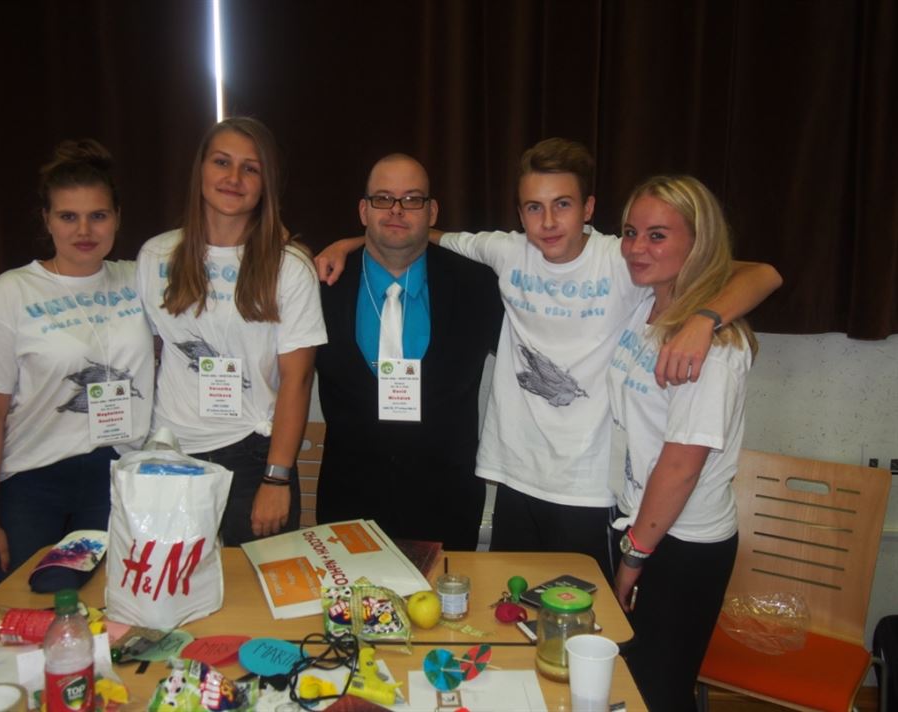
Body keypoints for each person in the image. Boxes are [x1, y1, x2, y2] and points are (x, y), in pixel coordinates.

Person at [316, 138, 780, 577]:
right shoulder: (502, 254)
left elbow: (760, 273)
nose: (549, 221)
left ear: (588, 208)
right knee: (510, 613)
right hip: (507, 481)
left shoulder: (621, 259)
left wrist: (705, 318)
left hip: (583, 490)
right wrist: (354, 242)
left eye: (563, 204)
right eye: (535, 207)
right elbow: (410, 234)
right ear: (520, 214)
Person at [0, 139, 154, 591]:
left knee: (105, 603)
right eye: (68, 216)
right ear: (47, 219)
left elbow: (214, 258)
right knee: (19, 601)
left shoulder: (138, 278)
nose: (84, 230)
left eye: (98, 215)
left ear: (117, 217)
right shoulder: (11, 293)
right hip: (33, 478)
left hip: (115, 474)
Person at [136, 117, 326, 546]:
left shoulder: (289, 267)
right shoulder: (156, 255)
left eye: (250, 168)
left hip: (254, 455)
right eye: (222, 162)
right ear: (200, 169)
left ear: (266, 183)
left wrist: (276, 478)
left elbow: (297, 380)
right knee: (173, 584)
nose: (234, 178)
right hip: (171, 453)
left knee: (260, 586)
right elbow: (149, 353)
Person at [608, 175, 756, 710]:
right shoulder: (646, 306)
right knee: (628, 682)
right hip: (640, 521)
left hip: (681, 542)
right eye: (630, 232)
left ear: (698, 241)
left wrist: (633, 558)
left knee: (657, 693)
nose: (636, 248)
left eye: (657, 235)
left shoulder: (712, 351)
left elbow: (680, 468)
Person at [314, 154, 502, 549]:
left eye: (413, 199)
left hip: (447, 509)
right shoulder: (322, 287)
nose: (397, 210)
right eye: (383, 198)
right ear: (363, 210)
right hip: (348, 507)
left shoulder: (478, 285)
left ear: (432, 212)